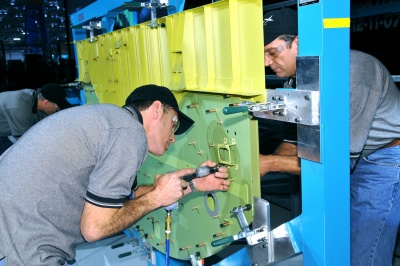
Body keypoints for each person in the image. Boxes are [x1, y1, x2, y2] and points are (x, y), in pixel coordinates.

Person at [0, 84, 230, 266]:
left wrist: (191, 184)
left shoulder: (110, 121)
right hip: (19, 243)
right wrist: (158, 196)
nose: (173, 137)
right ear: (157, 109)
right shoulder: (129, 134)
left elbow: (123, 197)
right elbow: (95, 228)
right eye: (174, 123)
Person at [261, 8, 400, 265]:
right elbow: (294, 141)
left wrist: (268, 164)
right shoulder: (295, 82)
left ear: (298, 43)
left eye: (273, 52)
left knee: (364, 249)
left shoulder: (352, 74)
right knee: (329, 235)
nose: (267, 62)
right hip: (348, 153)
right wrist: (267, 160)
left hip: (383, 158)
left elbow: (336, 163)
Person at [0, 83, 72, 155]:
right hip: (10, 137)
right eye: (57, 108)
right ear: (46, 102)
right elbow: (24, 143)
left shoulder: (35, 99)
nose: (57, 111)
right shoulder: (19, 107)